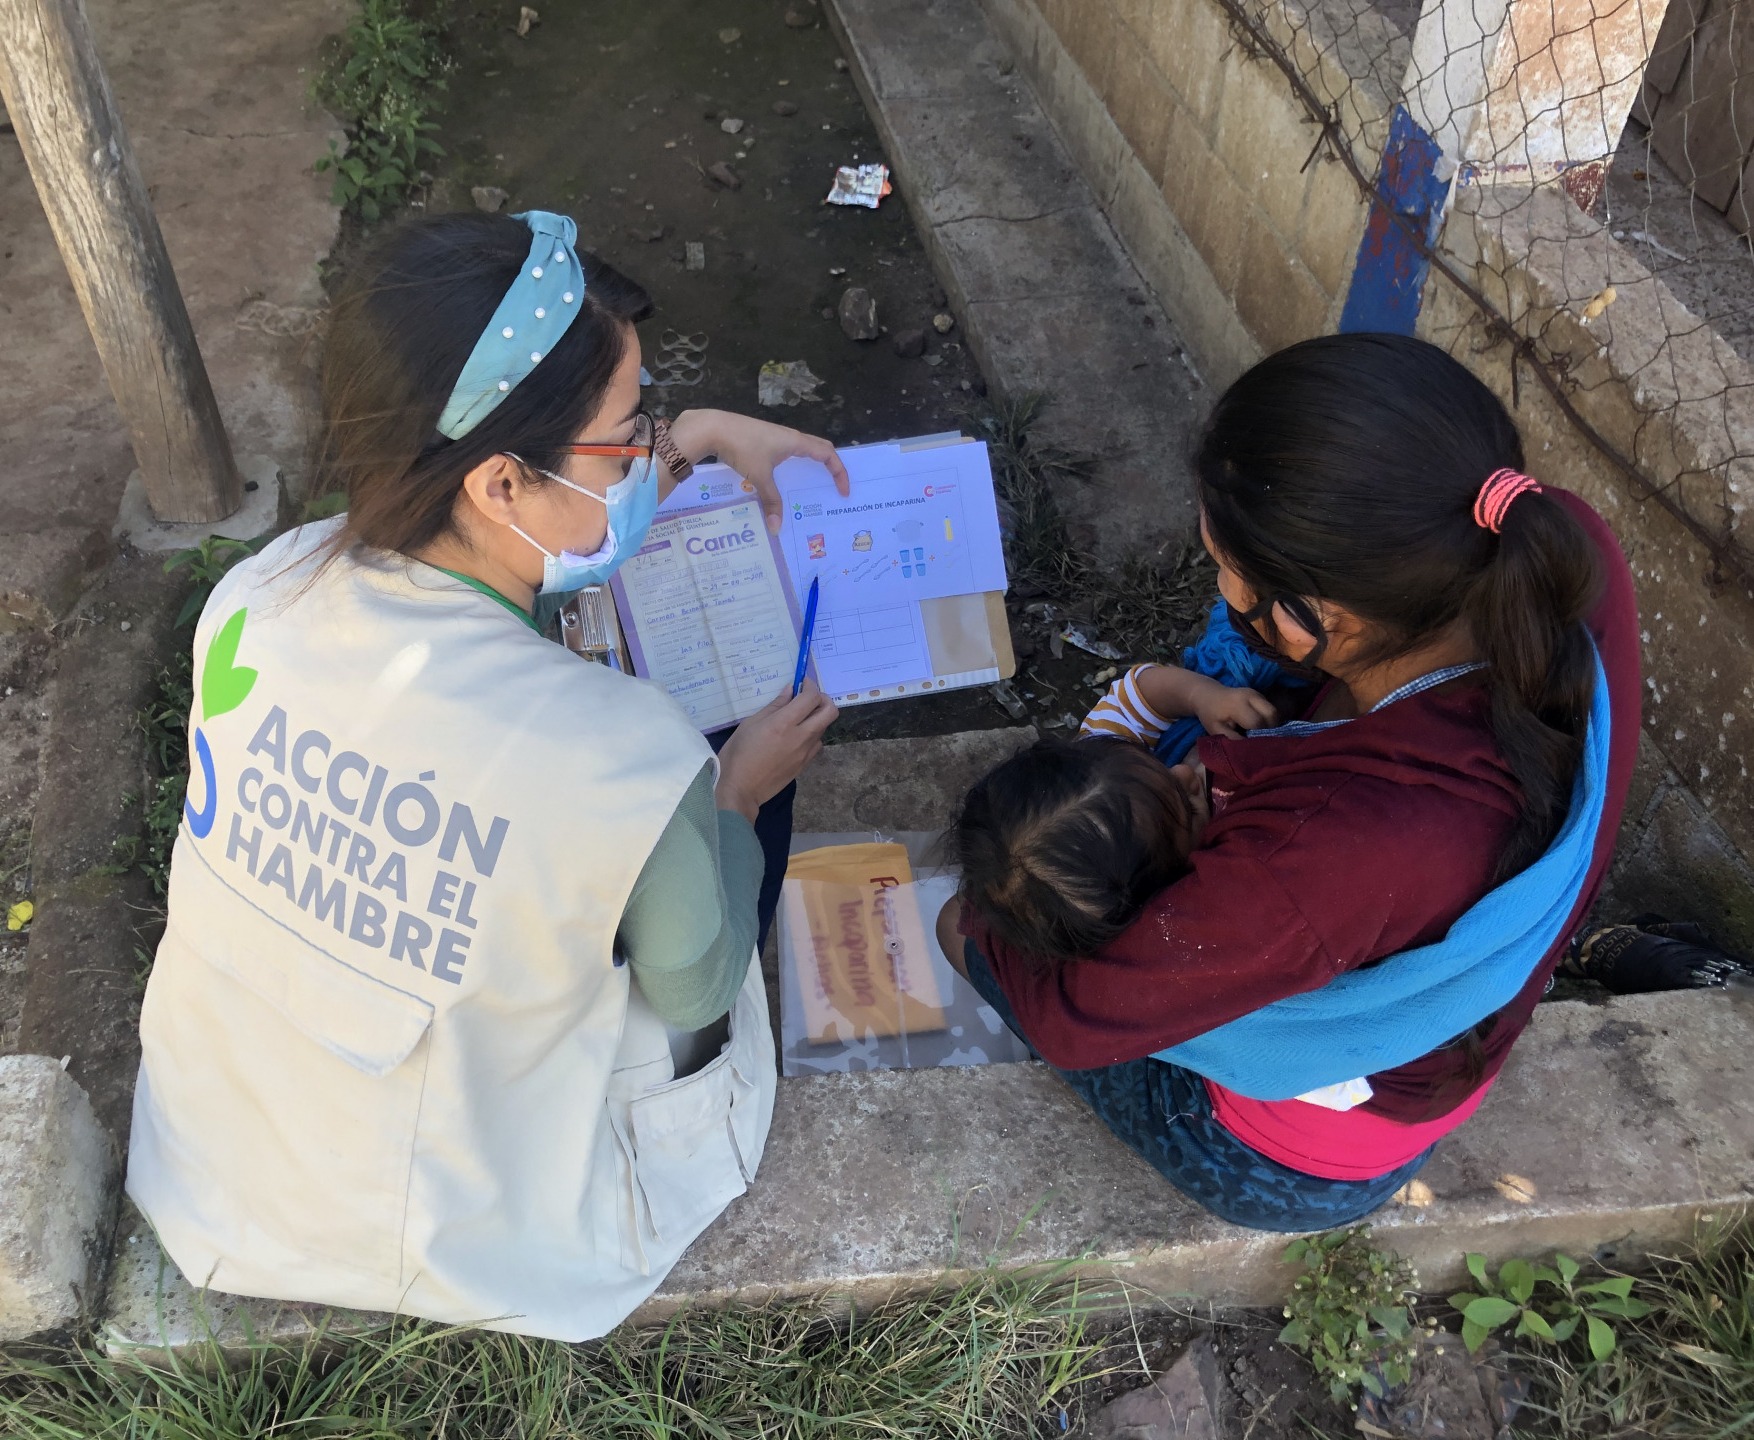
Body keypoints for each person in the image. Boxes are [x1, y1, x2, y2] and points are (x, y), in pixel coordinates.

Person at [126, 210, 846, 1340]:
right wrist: (738, 792)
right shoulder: (619, 754)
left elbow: (506, 556)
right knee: (719, 839)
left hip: (223, 1156)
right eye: (630, 437)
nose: (645, 453)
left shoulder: (258, 594)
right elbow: (695, 989)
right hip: (454, 1220)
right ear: (501, 482)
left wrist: (698, 436)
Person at [937, 332, 1643, 1232]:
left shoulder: (1321, 850)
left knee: (967, 922)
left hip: (1312, 1161)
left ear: (1327, 615)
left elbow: (1073, 1014)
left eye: (1228, 567)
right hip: (1436, 1031)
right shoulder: (1544, 543)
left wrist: (1010, 908)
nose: (1221, 588)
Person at [946, 662, 1274, 969]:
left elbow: (1139, 694)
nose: (1184, 773)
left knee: (949, 923)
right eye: (1188, 809)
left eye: (1156, 764)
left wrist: (1201, 695)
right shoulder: (1216, 885)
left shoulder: (1101, 768)